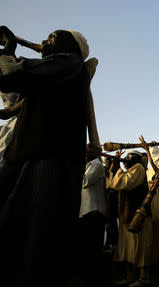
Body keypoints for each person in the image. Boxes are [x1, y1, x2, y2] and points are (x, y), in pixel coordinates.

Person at [0, 26, 91, 286]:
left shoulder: (68, 63)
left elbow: (11, 74)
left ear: (70, 48)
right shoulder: (59, 73)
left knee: (36, 239)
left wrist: (7, 50)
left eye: (52, 38)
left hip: (48, 161)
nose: (43, 41)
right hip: (37, 158)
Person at [109, 150, 155, 287]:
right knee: (127, 247)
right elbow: (113, 184)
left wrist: (117, 167)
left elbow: (121, 183)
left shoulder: (139, 169)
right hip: (128, 216)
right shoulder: (129, 171)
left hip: (139, 216)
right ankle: (129, 277)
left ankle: (144, 278)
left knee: (141, 247)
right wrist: (116, 166)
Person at [79, 143, 107, 286]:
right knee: (87, 248)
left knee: (93, 249)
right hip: (87, 212)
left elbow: (85, 182)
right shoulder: (89, 165)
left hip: (94, 212)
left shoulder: (96, 166)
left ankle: (95, 279)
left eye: (87, 152)